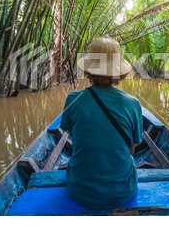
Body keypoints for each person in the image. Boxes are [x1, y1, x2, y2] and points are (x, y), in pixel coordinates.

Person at [60, 36, 143, 209]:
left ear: (89, 69)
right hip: (123, 190)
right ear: (118, 72)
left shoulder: (73, 99)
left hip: (80, 190)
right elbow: (132, 149)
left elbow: (71, 134)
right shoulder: (133, 104)